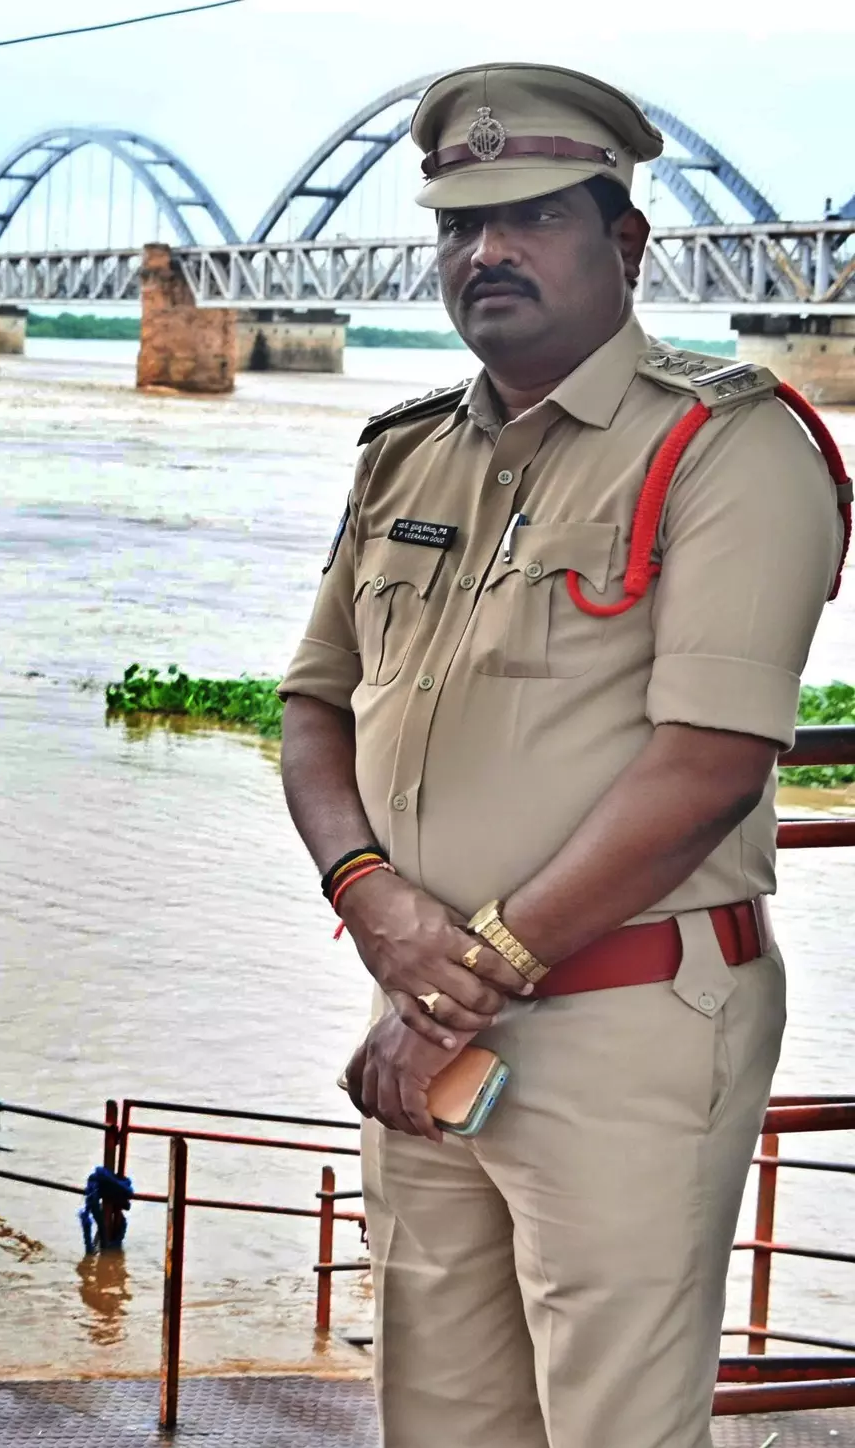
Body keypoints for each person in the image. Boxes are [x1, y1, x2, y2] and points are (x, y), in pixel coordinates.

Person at [279, 63, 848, 1447]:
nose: (487, 252)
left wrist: (456, 982)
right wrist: (372, 900)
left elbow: (706, 762)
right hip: (420, 1020)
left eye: (532, 216)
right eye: (460, 225)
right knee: (441, 1414)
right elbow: (313, 711)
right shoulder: (402, 457)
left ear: (628, 243)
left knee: (614, 1423)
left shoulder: (726, 449)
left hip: (623, 1025)